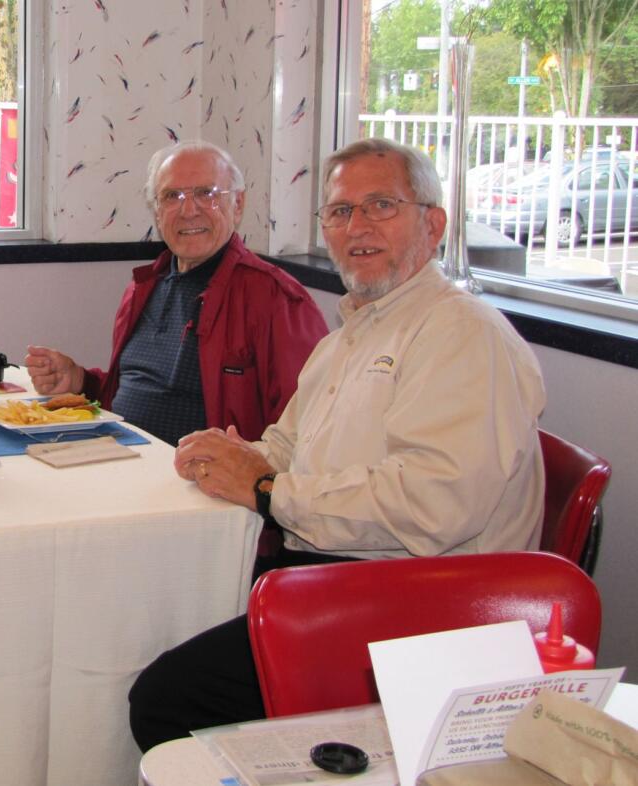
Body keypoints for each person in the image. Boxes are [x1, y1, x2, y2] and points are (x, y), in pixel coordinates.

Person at [127, 138, 546, 751]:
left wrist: (268, 489)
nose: (357, 227)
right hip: (335, 566)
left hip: (422, 606)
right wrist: (235, 456)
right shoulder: (354, 333)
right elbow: (288, 442)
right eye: (341, 212)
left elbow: (434, 506)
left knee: (165, 699)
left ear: (433, 224)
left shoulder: (463, 335)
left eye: (381, 205)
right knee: (152, 606)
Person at [24, 141, 327, 446]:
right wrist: (80, 381)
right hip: (118, 460)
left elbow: (305, 433)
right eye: (172, 196)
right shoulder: (144, 287)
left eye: (206, 193)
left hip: (204, 484)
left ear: (237, 204)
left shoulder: (278, 299)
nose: (188, 210)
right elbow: (138, 394)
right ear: (156, 211)